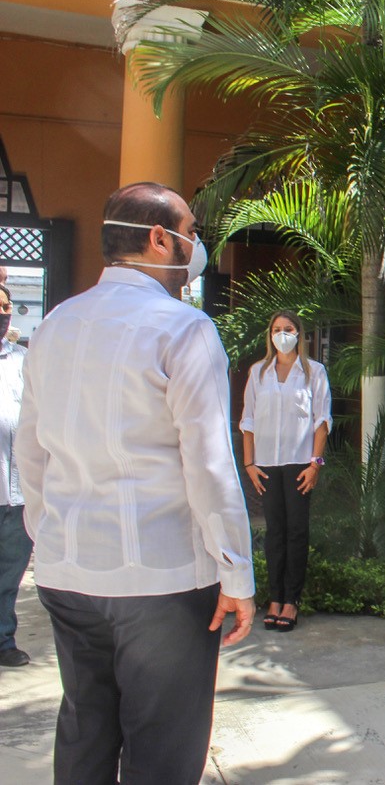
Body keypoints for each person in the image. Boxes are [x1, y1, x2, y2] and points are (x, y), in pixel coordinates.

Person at [16, 182, 255, 784]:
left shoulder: (55, 325)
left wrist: (49, 539)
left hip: (68, 573)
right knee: (163, 752)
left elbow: (31, 452)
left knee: (85, 733)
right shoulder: (184, 329)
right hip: (163, 580)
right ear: (158, 239)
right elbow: (208, 465)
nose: (196, 246)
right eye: (192, 233)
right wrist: (236, 572)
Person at [241, 311, 331, 633]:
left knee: (296, 533)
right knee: (274, 534)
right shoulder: (258, 373)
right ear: (270, 335)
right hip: (265, 465)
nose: (283, 334)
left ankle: (291, 601)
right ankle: (274, 599)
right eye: (277, 329)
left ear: (299, 334)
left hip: (299, 465)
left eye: (288, 329)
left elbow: (322, 423)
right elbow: (248, 420)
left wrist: (314, 466)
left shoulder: (314, 373)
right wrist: (249, 464)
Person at [0, 284, 30, 668]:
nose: (4, 312)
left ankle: (3, 639)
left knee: (10, 572)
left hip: (17, 491)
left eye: (7, 306)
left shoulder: (25, 360)